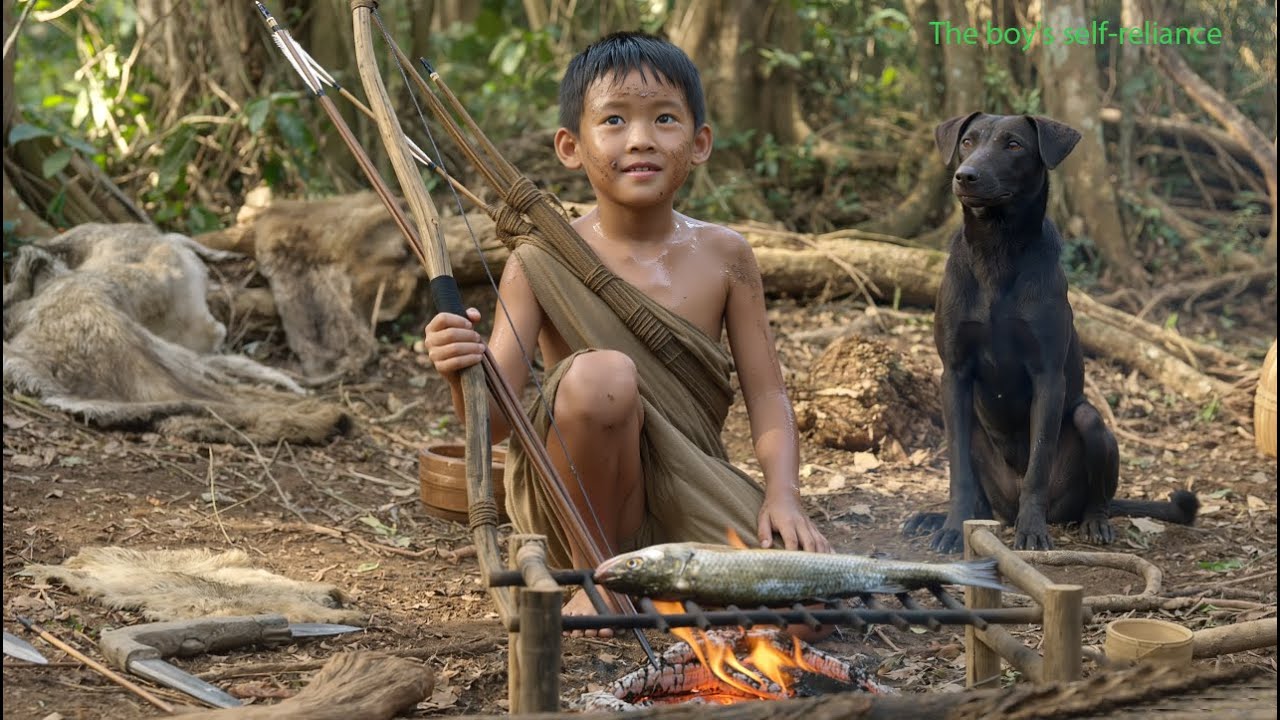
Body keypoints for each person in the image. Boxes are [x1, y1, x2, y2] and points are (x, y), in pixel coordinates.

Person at [423, 31, 831, 631]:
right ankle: (599, 578)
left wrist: (784, 497)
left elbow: (767, 393)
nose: (640, 138)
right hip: (579, 509)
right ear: (570, 146)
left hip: (687, 489)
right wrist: (461, 367)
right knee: (600, 375)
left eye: (664, 118)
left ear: (699, 143)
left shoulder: (725, 255)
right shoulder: (539, 260)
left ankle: (665, 580)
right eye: (613, 120)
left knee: (809, 609)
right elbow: (494, 424)